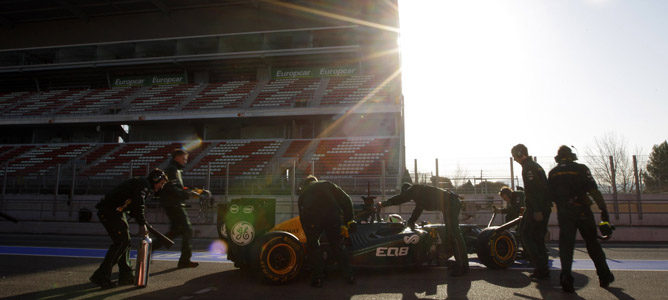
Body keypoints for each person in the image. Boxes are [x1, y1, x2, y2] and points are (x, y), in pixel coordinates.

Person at [548, 145, 614, 293]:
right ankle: (604, 276)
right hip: (583, 211)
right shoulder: (581, 169)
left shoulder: (553, 173)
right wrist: (604, 211)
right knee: (592, 244)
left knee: (566, 247)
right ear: (571, 156)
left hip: (564, 213)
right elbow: (594, 191)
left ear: (558, 158)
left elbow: (550, 196)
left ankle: (566, 278)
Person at [89, 168, 168, 289]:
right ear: (155, 179)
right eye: (161, 183)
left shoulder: (143, 185)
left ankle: (125, 276)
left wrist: (142, 221)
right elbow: (138, 204)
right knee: (121, 242)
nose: (161, 187)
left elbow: (134, 207)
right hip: (110, 211)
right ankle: (101, 276)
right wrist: (142, 224)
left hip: (117, 212)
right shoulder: (144, 185)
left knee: (125, 242)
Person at [378, 183, 469, 276]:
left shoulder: (414, 189)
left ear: (407, 191)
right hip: (450, 203)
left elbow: (400, 198)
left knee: (454, 234)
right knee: (452, 234)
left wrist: (383, 204)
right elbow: (417, 211)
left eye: (408, 195)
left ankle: (462, 267)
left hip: (451, 203)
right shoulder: (421, 197)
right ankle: (462, 265)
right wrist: (411, 222)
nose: (410, 198)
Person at [298, 175, 355, 287]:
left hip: (312, 218)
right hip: (332, 216)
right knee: (337, 245)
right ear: (316, 181)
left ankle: (317, 279)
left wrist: (310, 235)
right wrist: (349, 220)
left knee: (314, 247)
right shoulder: (327, 184)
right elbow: (346, 199)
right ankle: (349, 276)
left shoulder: (304, 192)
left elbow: (302, 215)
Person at [511, 144, 552, 280]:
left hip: (537, 208)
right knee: (537, 238)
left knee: (526, 234)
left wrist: (537, 210)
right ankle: (542, 269)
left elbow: (534, 190)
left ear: (519, 154)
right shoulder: (535, 165)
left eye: (514, 156)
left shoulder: (529, 168)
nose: (514, 159)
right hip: (541, 206)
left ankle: (541, 268)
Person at [154, 149, 199, 268]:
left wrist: (191, 190)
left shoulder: (175, 169)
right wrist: (188, 194)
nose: (186, 161)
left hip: (173, 203)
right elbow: (172, 188)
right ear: (177, 157)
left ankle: (151, 247)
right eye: (184, 159)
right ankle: (184, 260)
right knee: (187, 229)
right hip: (174, 204)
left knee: (176, 231)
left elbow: (177, 187)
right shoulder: (172, 169)